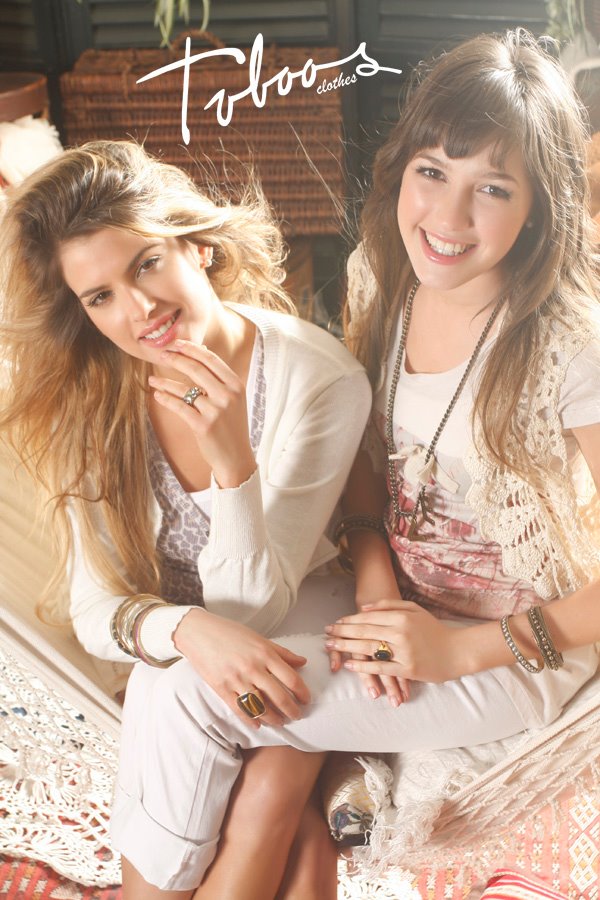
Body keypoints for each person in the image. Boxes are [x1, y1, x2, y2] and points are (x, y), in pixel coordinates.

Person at [74, 28, 600, 896]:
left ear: (539, 207)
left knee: (188, 695)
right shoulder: (385, 280)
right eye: (432, 171)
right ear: (401, 168)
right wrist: (374, 573)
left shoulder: (572, 347)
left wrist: (459, 651)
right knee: (216, 682)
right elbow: (365, 449)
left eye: (493, 188)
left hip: (508, 655)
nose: (448, 218)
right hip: (380, 605)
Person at [0, 140, 372, 899]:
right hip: (177, 655)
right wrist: (184, 629)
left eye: (146, 264)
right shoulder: (90, 399)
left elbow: (257, 608)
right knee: (294, 829)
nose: (138, 311)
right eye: (99, 297)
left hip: (300, 624)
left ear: (197, 246)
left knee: (267, 791)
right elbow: (95, 609)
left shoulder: (317, 378)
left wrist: (232, 460)